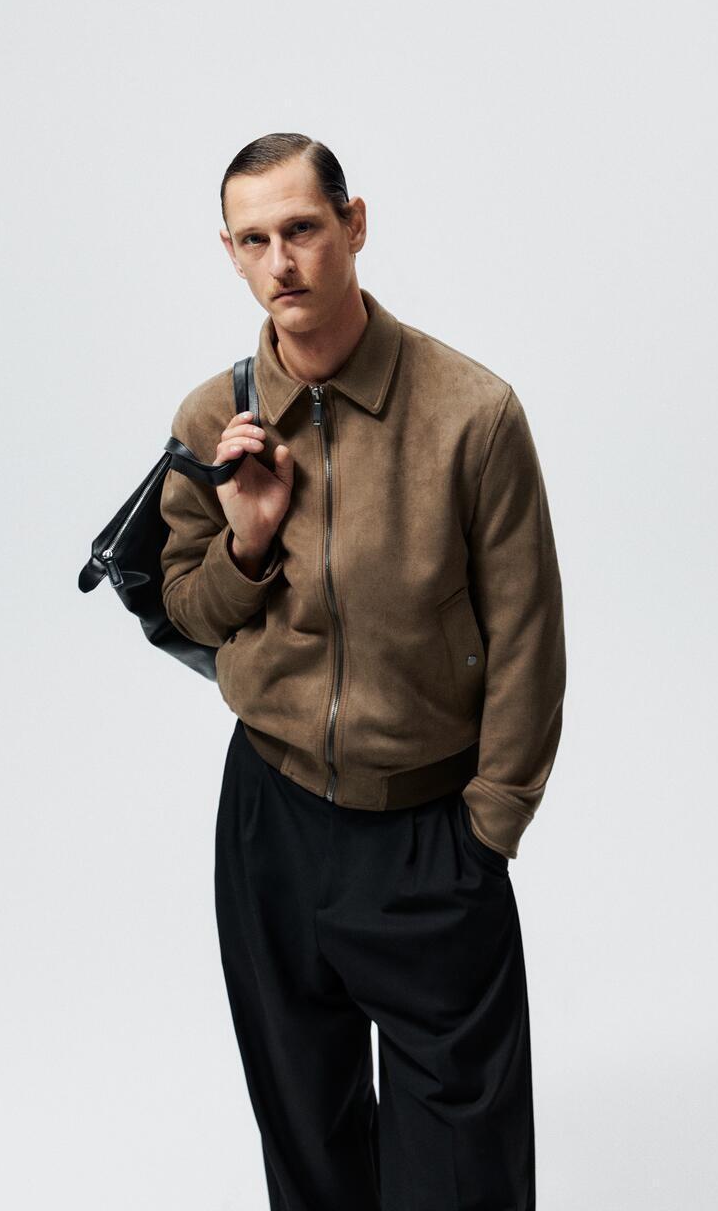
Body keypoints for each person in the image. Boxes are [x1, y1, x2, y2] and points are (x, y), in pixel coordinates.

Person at [159, 132, 567, 1211]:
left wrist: (488, 829)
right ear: (230, 253)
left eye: (301, 228)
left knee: (462, 1174)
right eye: (254, 240)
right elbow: (188, 609)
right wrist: (249, 539)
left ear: (354, 225)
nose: (282, 261)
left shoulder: (471, 414)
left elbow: (529, 641)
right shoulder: (214, 419)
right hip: (271, 822)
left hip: (429, 835)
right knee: (310, 1153)